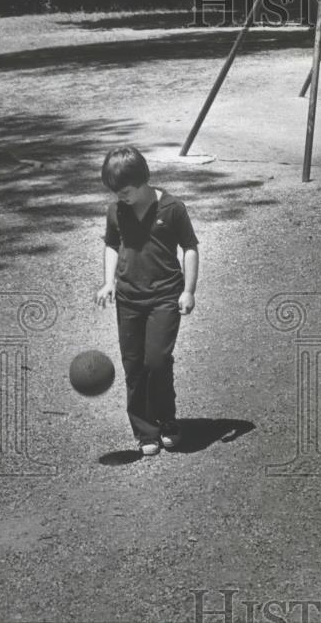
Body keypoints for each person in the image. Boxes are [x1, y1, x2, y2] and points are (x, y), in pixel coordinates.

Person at [95, 147, 198, 456]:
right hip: (129, 298)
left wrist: (189, 290)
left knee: (157, 361)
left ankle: (167, 420)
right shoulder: (117, 211)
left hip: (165, 296)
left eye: (125, 191)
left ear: (143, 181)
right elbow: (112, 245)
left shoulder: (172, 208)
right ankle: (145, 430)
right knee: (134, 366)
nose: (120, 198)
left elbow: (190, 247)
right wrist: (108, 282)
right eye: (116, 193)